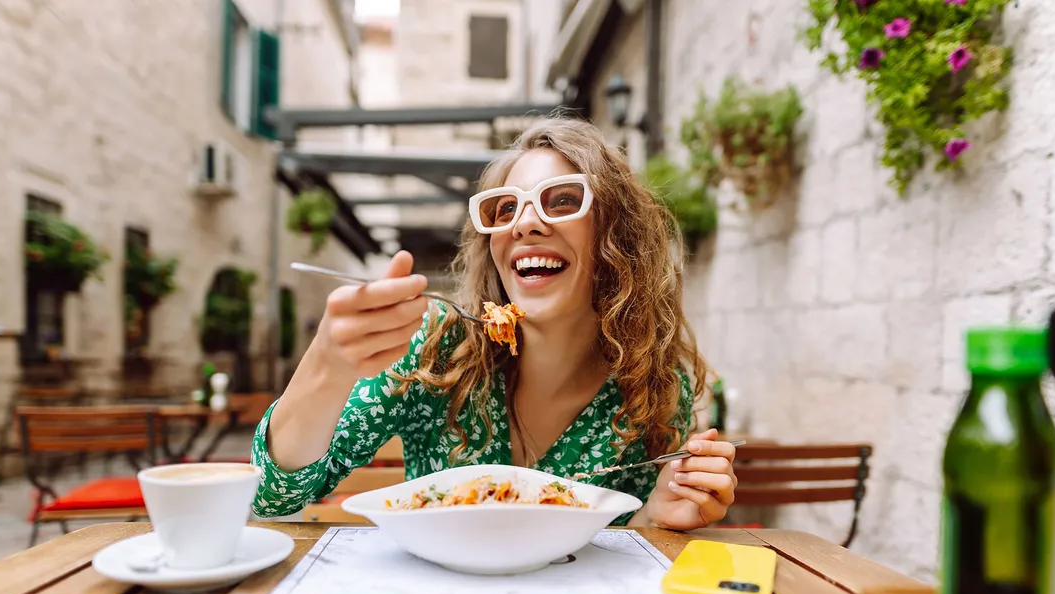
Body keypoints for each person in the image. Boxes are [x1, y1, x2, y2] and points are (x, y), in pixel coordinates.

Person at [250, 117, 737, 530]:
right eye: (505, 209)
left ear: (618, 236)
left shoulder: (651, 390)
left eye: (562, 200)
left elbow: (616, 550)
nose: (524, 224)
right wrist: (327, 366)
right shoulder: (435, 349)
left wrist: (655, 514)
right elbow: (271, 498)